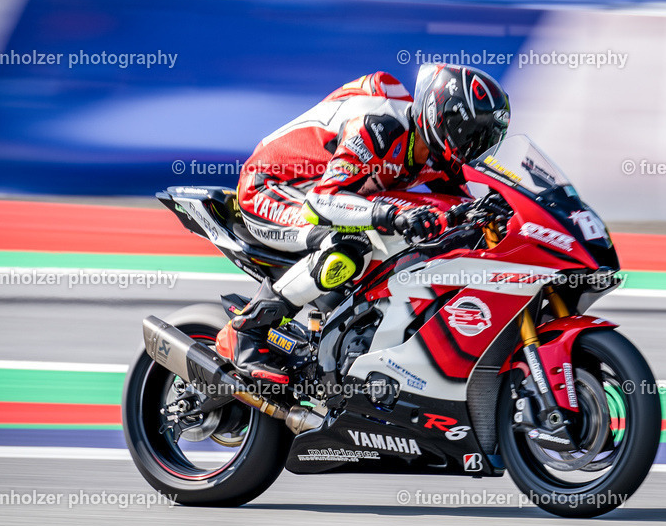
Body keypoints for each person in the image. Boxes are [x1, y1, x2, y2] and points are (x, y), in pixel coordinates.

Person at [215, 63, 511, 378]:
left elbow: (467, 206)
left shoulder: (442, 153)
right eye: (471, 133)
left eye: (484, 138)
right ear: (443, 116)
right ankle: (247, 331)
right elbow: (322, 202)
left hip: (325, 196)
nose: (474, 146)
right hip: (272, 188)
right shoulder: (379, 127)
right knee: (347, 245)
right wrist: (393, 216)